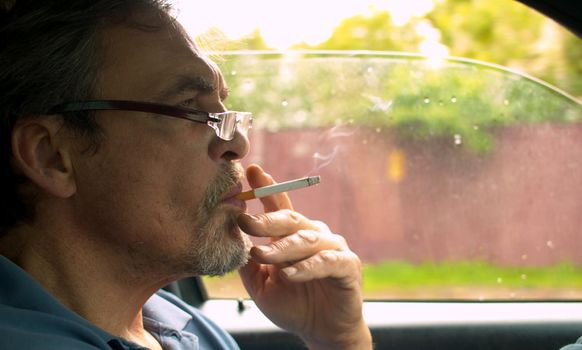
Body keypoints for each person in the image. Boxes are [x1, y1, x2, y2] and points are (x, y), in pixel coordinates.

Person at [0, 1, 372, 349]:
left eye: (225, 112)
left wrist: (338, 338)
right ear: (50, 156)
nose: (238, 144)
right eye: (188, 108)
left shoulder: (179, 324)